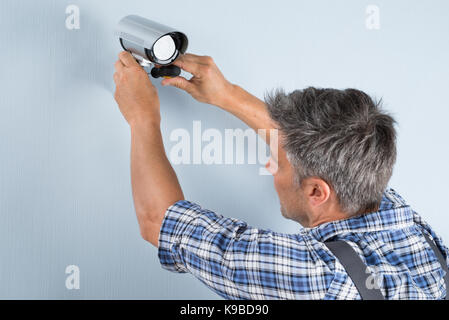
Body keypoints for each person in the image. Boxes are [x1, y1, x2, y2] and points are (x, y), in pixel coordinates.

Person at [113, 51, 449, 299]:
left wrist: (143, 117)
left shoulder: (318, 279)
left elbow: (160, 222)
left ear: (317, 192)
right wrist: (226, 93)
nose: (269, 165)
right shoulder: (401, 219)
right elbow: (304, 146)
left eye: (278, 162)